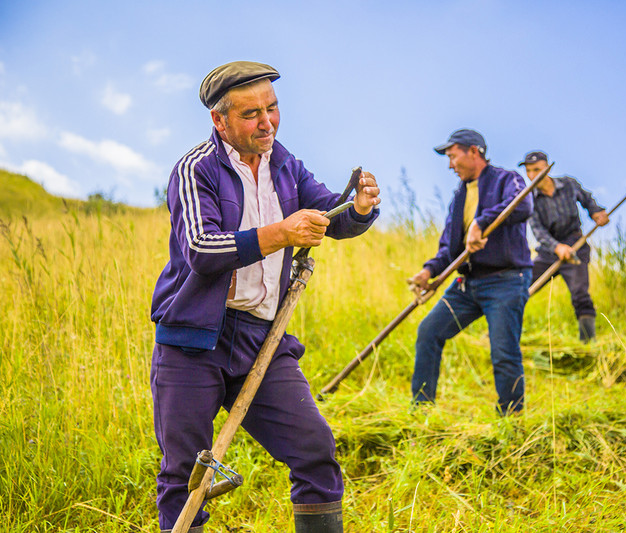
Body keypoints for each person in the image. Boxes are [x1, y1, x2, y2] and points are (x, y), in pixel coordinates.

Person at [149, 61, 380, 533]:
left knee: (314, 451)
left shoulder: (285, 164)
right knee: (185, 475)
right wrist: (280, 232)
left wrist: (356, 208)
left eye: (272, 109)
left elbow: (326, 215)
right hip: (193, 342)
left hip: (262, 339)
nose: (267, 122)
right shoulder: (196, 170)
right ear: (220, 121)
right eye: (251, 114)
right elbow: (201, 249)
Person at [407, 129, 533, 415]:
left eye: (453, 156)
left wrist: (482, 221)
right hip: (467, 285)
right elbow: (449, 247)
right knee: (428, 331)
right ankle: (421, 411)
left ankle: (510, 421)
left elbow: (522, 204)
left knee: (503, 352)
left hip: (506, 281)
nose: (450, 165)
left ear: (474, 151)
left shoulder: (507, 179)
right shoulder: (459, 196)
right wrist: (429, 271)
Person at [520, 150, 608, 342]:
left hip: (575, 246)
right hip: (548, 252)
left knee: (580, 293)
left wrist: (596, 213)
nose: (533, 175)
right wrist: (556, 247)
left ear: (547, 168)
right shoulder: (529, 199)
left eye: (537, 170)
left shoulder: (569, 184)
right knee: (520, 289)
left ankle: (587, 342)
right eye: (529, 171)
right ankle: (502, 333)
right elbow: (538, 230)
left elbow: (588, 201)